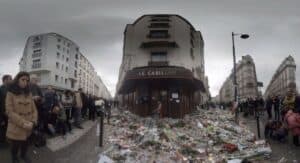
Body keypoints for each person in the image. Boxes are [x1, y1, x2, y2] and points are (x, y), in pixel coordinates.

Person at [6, 72, 38, 163]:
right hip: (16, 126)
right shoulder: (10, 93)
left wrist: (33, 122)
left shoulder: (29, 93)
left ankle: (23, 155)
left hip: (29, 126)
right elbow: (9, 111)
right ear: (17, 80)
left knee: (26, 143)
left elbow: (34, 110)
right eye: (23, 80)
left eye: (27, 80)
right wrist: (23, 123)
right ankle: (14, 158)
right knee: (15, 145)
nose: (25, 82)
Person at [0, 74, 12, 144]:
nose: (11, 80)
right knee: (2, 128)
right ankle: (2, 142)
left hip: (9, 112)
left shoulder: (9, 89)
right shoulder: (1, 89)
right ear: (5, 80)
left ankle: (6, 140)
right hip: (2, 113)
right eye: (10, 79)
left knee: (7, 127)